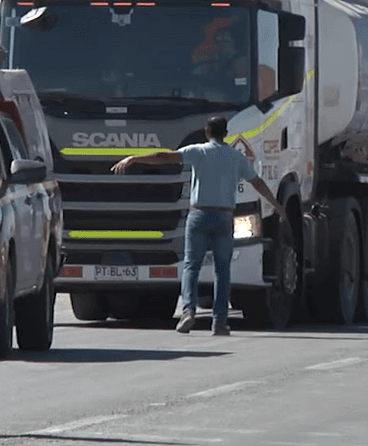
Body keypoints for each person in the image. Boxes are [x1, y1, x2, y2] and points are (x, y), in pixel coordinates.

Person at [111, 116, 285, 335]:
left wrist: (135, 159)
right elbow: (257, 182)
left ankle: (188, 312)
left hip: (199, 214)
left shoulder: (198, 151)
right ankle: (219, 322)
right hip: (224, 217)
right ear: (226, 133)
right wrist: (277, 205)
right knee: (222, 271)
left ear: (207, 132)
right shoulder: (236, 157)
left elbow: (165, 157)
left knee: (191, 266)